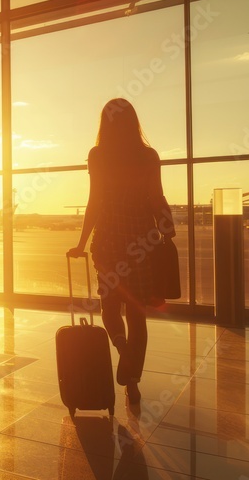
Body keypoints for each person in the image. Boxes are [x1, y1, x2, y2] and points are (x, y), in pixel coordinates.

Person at [67, 98, 174, 406]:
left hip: (110, 243)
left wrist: (82, 242)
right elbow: (157, 197)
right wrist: (167, 229)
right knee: (138, 315)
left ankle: (122, 348)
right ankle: (133, 383)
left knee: (110, 309)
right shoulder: (148, 156)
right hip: (142, 243)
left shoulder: (98, 155)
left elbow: (95, 201)